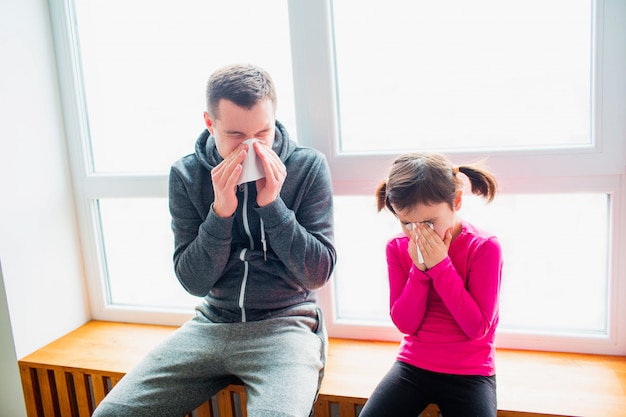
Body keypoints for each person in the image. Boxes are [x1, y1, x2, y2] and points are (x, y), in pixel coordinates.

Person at [93, 63, 336, 417]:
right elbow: (193, 281)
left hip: (286, 326)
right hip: (210, 323)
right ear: (210, 123)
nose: (252, 147)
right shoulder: (187, 174)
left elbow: (317, 273)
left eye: (263, 133)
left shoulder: (307, 166)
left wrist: (273, 206)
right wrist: (220, 214)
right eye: (237, 135)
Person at [359, 152, 502, 417]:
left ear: (456, 202)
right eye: (406, 223)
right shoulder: (398, 248)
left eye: (428, 222)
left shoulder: (484, 247)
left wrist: (440, 267)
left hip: (470, 371)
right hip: (414, 365)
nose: (418, 233)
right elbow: (405, 324)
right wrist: (420, 271)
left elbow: (477, 328)